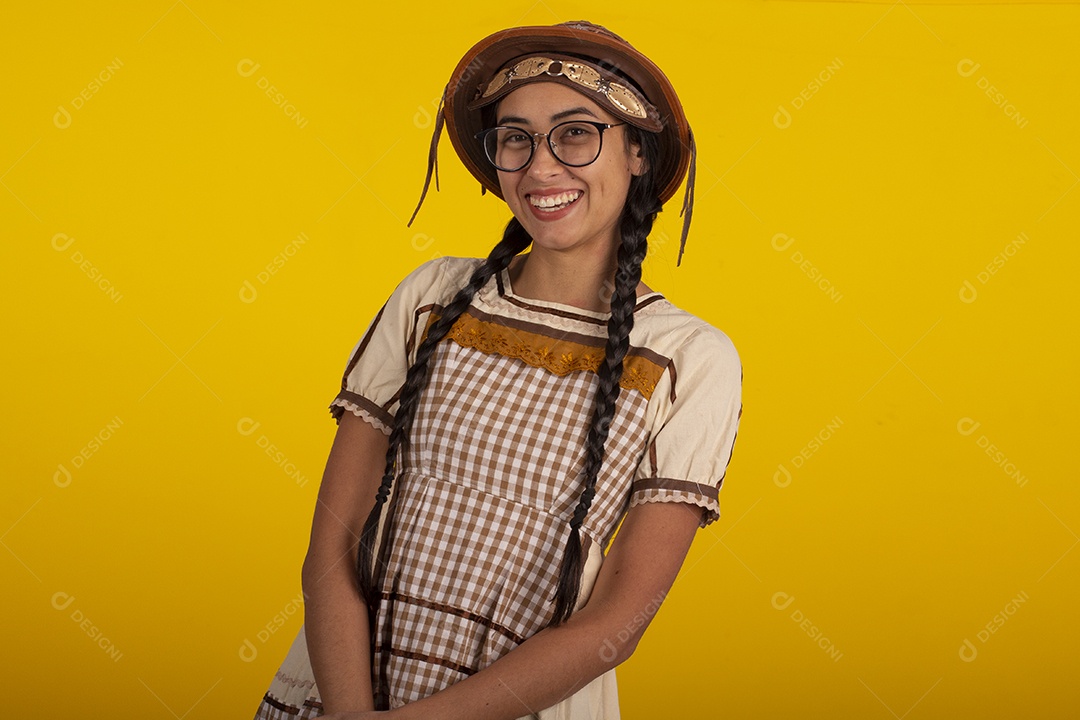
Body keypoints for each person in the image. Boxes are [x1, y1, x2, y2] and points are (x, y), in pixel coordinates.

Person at [252, 20, 742, 720]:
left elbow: (613, 627)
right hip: (336, 695)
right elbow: (332, 547)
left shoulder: (691, 357)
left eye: (576, 132)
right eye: (516, 138)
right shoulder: (430, 298)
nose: (541, 167)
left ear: (637, 152)